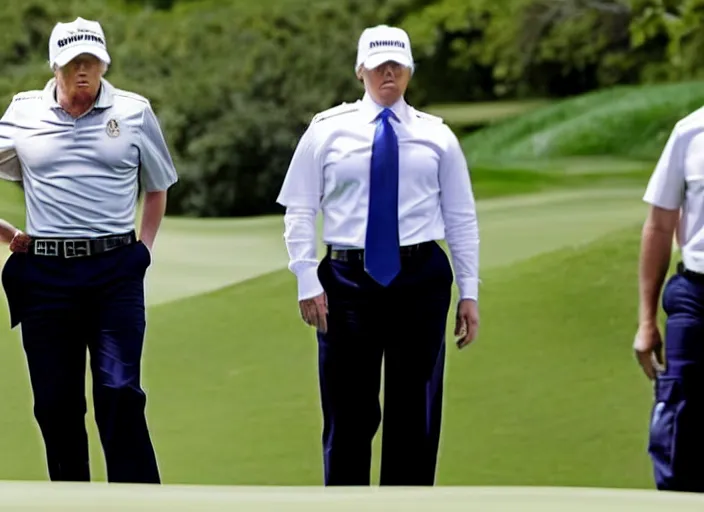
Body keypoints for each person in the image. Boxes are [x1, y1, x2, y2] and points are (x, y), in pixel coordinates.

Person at [276, 24, 480, 486]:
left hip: (421, 278)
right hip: (347, 280)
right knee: (348, 412)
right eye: (378, 64)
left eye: (397, 64)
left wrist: (469, 292)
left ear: (409, 70)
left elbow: (461, 218)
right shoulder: (327, 131)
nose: (388, 71)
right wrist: (307, 279)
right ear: (360, 70)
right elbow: (300, 208)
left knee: (416, 414)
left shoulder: (437, 137)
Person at [0, 17, 178, 483]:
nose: (84, 70)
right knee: (55, 403)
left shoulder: (134, 112)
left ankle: (137, 499)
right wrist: (5, 233)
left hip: (115, 268)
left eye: (92, 61)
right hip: (45, 273)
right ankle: (71, 498)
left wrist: (145, 250)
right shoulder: (23, 112)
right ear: (54, 66)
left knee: (120, 391)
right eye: (74, 62)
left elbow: (157, 186)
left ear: (104, 62)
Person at [636, 109, 704, 492]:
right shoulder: (690, 132)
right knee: (679, 419)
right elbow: (660, 225)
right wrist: (647, 321)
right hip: (696, 295)